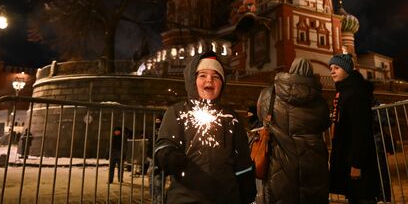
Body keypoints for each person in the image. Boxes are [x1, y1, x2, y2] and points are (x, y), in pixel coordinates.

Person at [154, 51, 256, 204]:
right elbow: (163, 145)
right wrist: (169, 157)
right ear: (192, 80)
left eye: (216, 76)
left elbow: (242, 163)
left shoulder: (231, 118)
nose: (209, 79)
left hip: (227, 198)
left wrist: (248, 195)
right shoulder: (177, 112)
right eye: (202, 75)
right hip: (186, 198)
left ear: (222, 84)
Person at [256, 58, 330, 204]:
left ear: (291, 69)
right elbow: (324, 123)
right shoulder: (319, 99)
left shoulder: (269, 94)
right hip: (312, 162)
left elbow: (261, 115)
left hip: (279, 161)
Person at [328, 53, 380, 204]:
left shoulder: (355, 93)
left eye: (337, 67)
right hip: (347, 156)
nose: (332, 71)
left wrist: (356, 164)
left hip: (356, 160)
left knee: (363, 197)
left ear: (347, 69)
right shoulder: (343, 91)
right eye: (331, 68)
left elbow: (361, 130)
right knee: (354, 196)